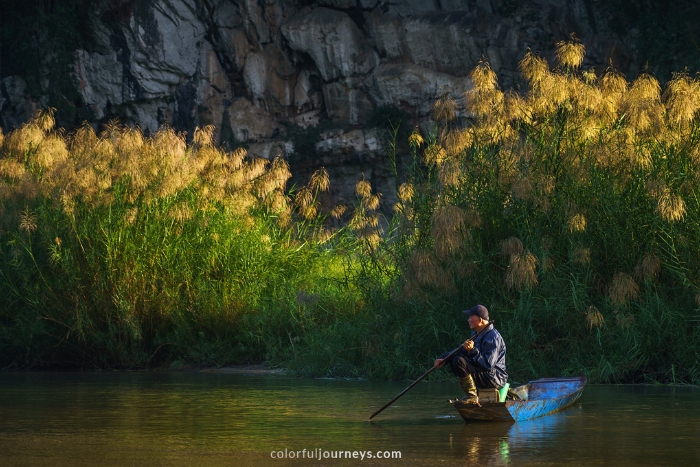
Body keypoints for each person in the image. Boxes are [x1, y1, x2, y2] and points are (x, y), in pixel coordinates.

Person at [433, 304, 507, 405]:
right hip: (485, 374)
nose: (468, 320)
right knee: (456, 360)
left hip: (494, 378)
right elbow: (460, 350)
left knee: (459, 361)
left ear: (480, 320)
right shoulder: (476, 334)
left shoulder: (493, 337)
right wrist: (444, 359)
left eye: (470, 317)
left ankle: (472, 397)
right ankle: (471, 395)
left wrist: (472, 351)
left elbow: (488, 365)